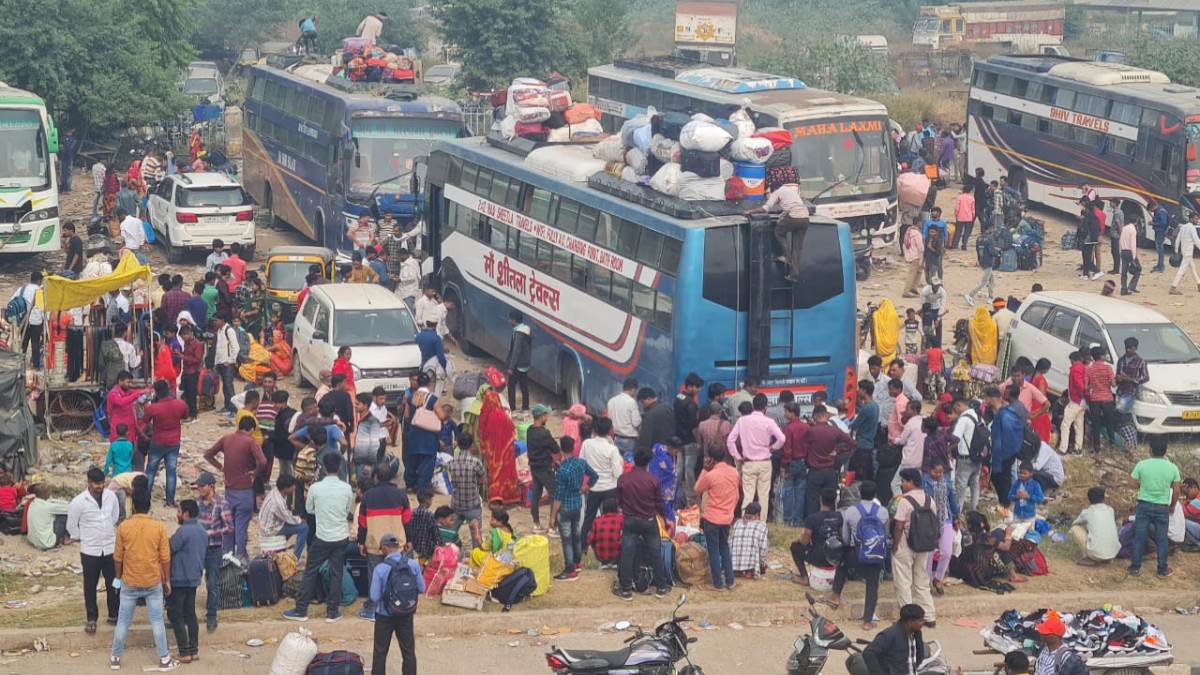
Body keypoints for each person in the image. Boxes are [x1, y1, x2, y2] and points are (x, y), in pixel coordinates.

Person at [109, 486, 176, 671]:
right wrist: (167, 580)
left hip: (129, 581)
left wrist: (118, 578)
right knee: (157, 620)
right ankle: (164, 659)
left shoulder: (123, 527)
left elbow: (118, 557)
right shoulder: (159, 527)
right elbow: (165, 558)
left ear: (133, 506)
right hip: (152, 581)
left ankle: (115, 657)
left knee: (123, 620)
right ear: (149, 506)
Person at [284, 453, 354, 622]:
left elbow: (309, 509)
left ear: (323, 468)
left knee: (310, 571)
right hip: (340, 536)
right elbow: (347, 510)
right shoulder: (346, 488)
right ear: (339, 467)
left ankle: (301, 610)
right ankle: (332, 612)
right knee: (337, 573)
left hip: (322, 536)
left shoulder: (315, 488)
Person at [66, 468, 120, 634]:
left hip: (110, 548)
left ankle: (114, 614)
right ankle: (91, 618)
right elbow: (71, 525)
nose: (100, 486)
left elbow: (115, 516)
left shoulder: (111, 496)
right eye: (96, 484)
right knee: (90, 585)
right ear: (89, 483)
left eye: (102, 483)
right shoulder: (78, 502)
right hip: (90, 551)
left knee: (114, 583)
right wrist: (82, 537)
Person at [204, 416, 267, 559]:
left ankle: (227, 559)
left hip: (229, 492)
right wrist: (255, 472)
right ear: (252, 429)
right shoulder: (250, 441)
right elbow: (263, 461)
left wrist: (221, 467)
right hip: (244, 491)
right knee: (241, 529)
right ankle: (241, 559)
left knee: (228, 528)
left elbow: (208, 454)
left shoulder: (226, 438)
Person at [828, 480, 887, 630]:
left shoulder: (851, 511)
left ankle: (836, 595)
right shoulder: (883, 512)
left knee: (842, 564)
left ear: (860, 493)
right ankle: (867, 622)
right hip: (875, 554)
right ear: (875, 494)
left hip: (857, 552)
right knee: (872, 586)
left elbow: (846, 538)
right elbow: (885, 534)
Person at [615, 448, 670, 600]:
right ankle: (661, 587)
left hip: (630, 520)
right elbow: (659, 503)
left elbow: (619, 501)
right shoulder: (653, 480)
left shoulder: (623, 479)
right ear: (648, 462)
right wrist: (665, 517)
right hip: (649, 521)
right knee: (655, 553)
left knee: (627, 553)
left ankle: (626, 589)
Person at [369, 533, 422, 675]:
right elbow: (422, 588)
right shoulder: (413, 564)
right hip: (406, 614)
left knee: (380, 652)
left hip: (384, 616)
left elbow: (374, 596)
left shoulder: (380, 568)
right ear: (398, 547)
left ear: (385, 548)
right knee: (408, 652)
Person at [1129, 436, 1180, 578]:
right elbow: (1176, 490)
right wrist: (1172, 505)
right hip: (1162, 507)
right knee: (1162, 539)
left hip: (1144, 505)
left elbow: (1131, 483)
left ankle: (1134, 568)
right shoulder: (1172, 467)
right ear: (1165, 451)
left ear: (1150, 450)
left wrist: (1143, 486)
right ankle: (1162, 570)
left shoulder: (1142, 464)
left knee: (1139, 536)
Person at [892, 468, 936, 626]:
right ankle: (929, 616)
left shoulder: (904, 501)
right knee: (922, 581)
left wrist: (895, 545)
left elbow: (899, 526)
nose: (902, 484)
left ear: (911, 482)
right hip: (924, 546)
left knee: (903, 582)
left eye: (904, 481)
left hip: (905, 545)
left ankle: (908, 618)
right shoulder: (930, 500)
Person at [746, 174, 809, 281]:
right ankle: (794, 275)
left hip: (794, 217)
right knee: (797, 248)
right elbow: (792, 205)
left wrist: (749, 211)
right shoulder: (790, 191)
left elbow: (765, 209)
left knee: (779, 233)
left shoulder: (777, 192)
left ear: (773, 188)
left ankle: (787, 256)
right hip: (805, 218)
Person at [726, 393, 785, 510]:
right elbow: (782, 439)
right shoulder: (769, 421)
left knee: (748, 495)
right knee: (763, 496)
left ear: (753, 406)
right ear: (766, 407)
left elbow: (730, 441)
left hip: (748, 462)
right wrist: (773, 447)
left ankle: (745, 519)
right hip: (765, 463)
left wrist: (737, 456)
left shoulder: (742, 421)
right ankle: (761, 520)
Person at [550, 439, 598, 580]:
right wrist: (586, 487)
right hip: (577, 504)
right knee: (576, 534)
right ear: (573, 448)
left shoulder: (562, 470)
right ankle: (577, 562)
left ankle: (570, 569)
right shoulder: (581, 463)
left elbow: (558, 496)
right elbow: (594, 476)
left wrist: (552, 516)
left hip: (565, 507)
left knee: (567, 539)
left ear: (561, 450)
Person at [694, 445, 740, 591]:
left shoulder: (710, 475)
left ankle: (718, 584)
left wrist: (704, 469)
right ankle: (730, 581)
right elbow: (737, 494)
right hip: (727, 518)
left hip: (712, 518)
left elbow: (697, 489)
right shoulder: (734, 472)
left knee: (713, 550)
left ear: (711, 459)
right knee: (724, 547)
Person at [168, 500, 206, 664]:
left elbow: (169, 548)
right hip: (194, 578)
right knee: (190, 614)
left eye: (179, 511)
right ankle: (193, 650)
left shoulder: (183, 531)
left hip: (179, 578)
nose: (177, 515)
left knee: (176, 615)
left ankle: (184, 652)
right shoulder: (202, 530)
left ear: (186, 514)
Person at [579, 417, 625, 553]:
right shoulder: (612, 449)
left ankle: (583, 546)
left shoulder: (587, 444)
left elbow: (581, 463)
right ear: (610, 431)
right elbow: (618, 473)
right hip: (610, 488)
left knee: (589, 517)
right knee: (611, 519)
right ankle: (611, 546)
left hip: (594, 487)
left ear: (594, 429)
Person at [191, 473, 229, 633]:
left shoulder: (221, 504)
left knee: (212, 583)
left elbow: (229, 527)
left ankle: (211, 615)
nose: (199, 489)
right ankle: (188, 615)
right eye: (198, 486)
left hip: (214, 549)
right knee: (192, 582)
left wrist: (211, 533)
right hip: (198, 548)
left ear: (211, 486)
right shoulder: (196, 503)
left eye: (202, 486)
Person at [142, 379, 188, 506]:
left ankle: (145, 499)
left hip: (157, 441)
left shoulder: (153, 408)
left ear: (156, 392)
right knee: (171, 471)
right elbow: (185, 416)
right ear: (168, 390)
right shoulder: (181, 404)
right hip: (174, 442)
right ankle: (170, 501)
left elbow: (145, 421)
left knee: (151, 471)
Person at [791, 488, 843, 586]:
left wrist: (799, 540)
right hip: (834, 556)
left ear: (820, 499)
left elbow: (805, 542)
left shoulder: (812, 518)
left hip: (819, 557)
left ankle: (804, 577)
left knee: (795, 547)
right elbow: (842, 537)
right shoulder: (838, 516)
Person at [922, 463, 959, 596]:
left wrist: (956, 515)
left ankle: (938, 578)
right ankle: (927, 581)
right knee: (929, 553)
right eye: (935, 472)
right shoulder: (924, 481)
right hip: (929, 519)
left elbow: (952, 499)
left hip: (945, 518)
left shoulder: (947, 481)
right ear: (930, 470)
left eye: (941, 472)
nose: (938, 475)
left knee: (947, 552)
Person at [861, 604, 927, 675]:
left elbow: (918, 657)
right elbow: (869, 653)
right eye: (920, 620)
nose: (923, 623)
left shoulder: (916, 633)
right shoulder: (890, 634)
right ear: (910, 622)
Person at [524, 403, 560, 532]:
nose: (547, 417)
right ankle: (553, 525)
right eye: (546, 415)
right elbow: (555, 448)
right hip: (545, 468)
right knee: (554, 494)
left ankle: (536, 523)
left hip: (534, 467)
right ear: (542, 416)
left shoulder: (529, 430)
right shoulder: (544, 433)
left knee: (536, 495)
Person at [445, 434, 485, 549]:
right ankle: (476, 556)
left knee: (450, 533)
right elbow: (482, 479)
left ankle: (448, 553)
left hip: (456, 504)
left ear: (458, 444)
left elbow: (449, 481)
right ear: (471, 445)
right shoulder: (476, 462)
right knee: (476, 535)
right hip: (472, 504)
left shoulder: (451, 462)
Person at [988, 386, 1023, 509]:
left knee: (1001, 476)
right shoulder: (1008, 409)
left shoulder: (1006, 411)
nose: (1004, 395)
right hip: (1006, 449)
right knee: (1003, 475)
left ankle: (1005, 502)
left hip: (1005, 450)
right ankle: (1005, 501)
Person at [259, 474, 308, 559]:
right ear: (286, 488)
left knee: (295, 525)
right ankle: (295, 558)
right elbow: (288, 518)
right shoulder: (278, 502)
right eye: (293, 486)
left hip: (269, 523)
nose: (294, 488)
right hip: (270, 529)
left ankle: (284, 544)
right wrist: (300, 520)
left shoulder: (276, 491)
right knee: (304, 528)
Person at [674, 373, 704, 505]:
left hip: (679, 439)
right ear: (691, 387)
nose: (698, 390)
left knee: (679, 468)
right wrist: (698, 441)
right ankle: (691, 497)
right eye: (697, 387)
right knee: (689, 469)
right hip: (689, 440)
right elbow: (694, 426)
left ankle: (674, 491)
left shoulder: (678, 398)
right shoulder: (691, 404)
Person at [1070, 486, 1119, 566]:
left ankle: (1088, 557)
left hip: (1096, 554)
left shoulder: (1088, 512)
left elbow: (1074, 523)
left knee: (1075, 528)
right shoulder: (1110, 510)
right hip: (1113, 554)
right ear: (1103, 498)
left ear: (1089, 499)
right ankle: (1106, 559)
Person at [9, 271, 45, 369]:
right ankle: (35, 366)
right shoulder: (39, 291)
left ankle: (21, 365)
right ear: (39, 280)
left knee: (23, 343)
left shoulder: (22, 289)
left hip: (23, 320)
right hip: (35, 321)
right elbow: (42, 309)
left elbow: (11, 302)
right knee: (35, 344)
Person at [1085, 346, 1118, 452]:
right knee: (1109, 423)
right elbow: (1113, 384)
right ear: (1102, 356)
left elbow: (1086, 386)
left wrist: (1094, 385)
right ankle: (1112, 444)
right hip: (1107, 398)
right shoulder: (1108, 368)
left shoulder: (1089, 369)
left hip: (1095, 399)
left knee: (1096, 423)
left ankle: (1097, 447)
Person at [730, 501, 769, 580]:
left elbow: (730, 542)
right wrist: (763, 563)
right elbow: (763, 548)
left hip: (733, 561)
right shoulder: (761, 525)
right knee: (763, 544)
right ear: (757, 514)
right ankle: (749, 570)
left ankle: (737, 570)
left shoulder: (737, 523)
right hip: (751, 561)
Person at [24, 484, 69, 550]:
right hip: (47, 543)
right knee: (63, 515)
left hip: (32, 540)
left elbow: (50, 500)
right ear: (46, 494)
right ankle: (65, 538)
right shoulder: (48, 507)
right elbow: (69, 509)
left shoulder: (33, 502)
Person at [1059, 351, 1087, 454]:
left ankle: (1063, 448)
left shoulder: (1075, 369)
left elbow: (1079, 385)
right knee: (1079, 425)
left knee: (1065, 425)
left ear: (1072, 360)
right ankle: (1078, 448)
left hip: (1076, 401)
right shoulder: (1084, 368)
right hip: (1082, 402)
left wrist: (1079, 395)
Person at [212, 315, 239, 415]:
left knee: (228, 385)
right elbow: (218, 349)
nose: (215, 322)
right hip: (221, 363)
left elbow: (236, 347)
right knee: (225, 386)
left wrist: (231, 360)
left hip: (228, 364)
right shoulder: (219, 331)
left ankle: (234, 408)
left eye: (216, 320)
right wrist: (216, 363)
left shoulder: (229, 330)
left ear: (222, 320)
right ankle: (227, 406)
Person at [505, 310, 532, 411]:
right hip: (525, 364)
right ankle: (526, 407)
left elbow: (516, 351)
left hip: (518, 365)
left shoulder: (519, 333)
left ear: (514, 320)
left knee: (511, 386)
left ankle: (512, 408)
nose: (509, 321)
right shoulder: (526, 330)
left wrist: (511, 368)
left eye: (510, 319)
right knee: (524, 386)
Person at [1115, 337, 1149, 415]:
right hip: (1120, 391)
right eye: (1127, 348)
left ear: (1136, 348)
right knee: (1119, 413)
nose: (1128, 350)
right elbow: (1117, 375)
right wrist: (1118, 378)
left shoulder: (1140, 361)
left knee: (1121, 411)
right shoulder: (1121, 360)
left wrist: (1130, 379)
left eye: (1131, 349)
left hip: (1130, 391)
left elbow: (1146, 377)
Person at [606, 378, 641, 454]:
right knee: (629, 460)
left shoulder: (611, 401)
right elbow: (636, 423)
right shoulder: (631, 402)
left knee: (618, 459)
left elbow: (609, 419)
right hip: (630, 441)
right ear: (633, 389)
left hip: (615, 438)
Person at [1169, 211, 1200, 294]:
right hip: (1188, 252)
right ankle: (1173, 287)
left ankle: (1199, 284)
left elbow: (1178, 239)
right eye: (1196, 219)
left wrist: (1176, 250)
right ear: (1191, 219)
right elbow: (1196, 240)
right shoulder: (1192, 228)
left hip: (1184, 251)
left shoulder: (1183, 227)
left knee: (1193, 268)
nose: (1197, 220)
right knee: (1182, 270)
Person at [588, 498, 624, 568]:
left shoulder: (597, 520)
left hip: (601, 556)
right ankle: (615, 562)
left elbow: (590, 540)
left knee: (593, 536)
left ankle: (603, 562)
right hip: (617, 554)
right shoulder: (621, 518)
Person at [922, 207, 947, 284]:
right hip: (928, 246)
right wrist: (924, 246)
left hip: (939, 247)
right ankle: (929, 282)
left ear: (939, 213)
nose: (932, 213)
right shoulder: (927, 222)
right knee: (927, 265)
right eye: (932, 211)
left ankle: (940, 281)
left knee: (939, 265)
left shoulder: (943, 223)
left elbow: (945, 236)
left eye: (934, 211)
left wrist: (944, 247)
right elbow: (924, 235)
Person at [1118, 211, 1141, 294]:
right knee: (1138, 269)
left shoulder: (1124, 228)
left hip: (1123, 251)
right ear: (1136, 221)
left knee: (1124, 271)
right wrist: (1134, 257)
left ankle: (1123, 288)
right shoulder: (1133, 230)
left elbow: (1120, 240)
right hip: (1130, 252)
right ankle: (1132, 286)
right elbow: (1133, 244)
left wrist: (1120, 250)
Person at [901, 223, 924, 297]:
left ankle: (913, 288)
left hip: (910, 255)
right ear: (918, 223)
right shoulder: (917, 234)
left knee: (918, 272)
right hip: (916, 256)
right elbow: (920, 247)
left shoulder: (908, 232)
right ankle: (906, 291)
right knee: (912, 274)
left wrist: (906, 255)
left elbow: (904, 245)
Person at [951, 183, 976, 250]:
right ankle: (964, 245)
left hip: (960, 217)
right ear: (970, 190)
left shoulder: (959, 197)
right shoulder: (972, 198)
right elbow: (973, 209)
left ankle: (955, 245)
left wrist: (956, 214)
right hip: (969, 217)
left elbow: (957, 208)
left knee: (958, 231)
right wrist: (973, 215)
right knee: (967, 232)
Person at [1150, 198, 1170, 272]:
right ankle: (1159, 265)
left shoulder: (1161, 212)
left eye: (1151, 210)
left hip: (1160, 232)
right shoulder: (1158, 210)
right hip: (1158, 231)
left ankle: (1161, 267)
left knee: (1160, 249)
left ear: (1153, 206)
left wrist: (1153, 223)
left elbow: (1163, 223)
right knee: (1159, 249)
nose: (1152, 211)